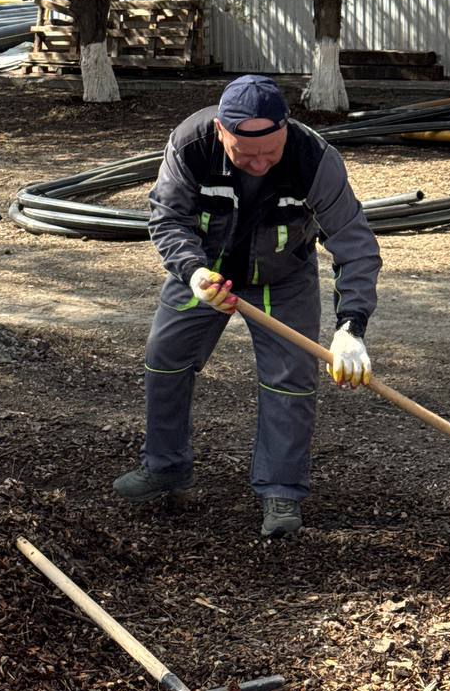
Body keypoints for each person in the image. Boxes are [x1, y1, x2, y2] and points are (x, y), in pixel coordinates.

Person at [113, 73, 382, 537]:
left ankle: (281, 492)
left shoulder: (314, 158)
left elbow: (354, 244)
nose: (258, 164)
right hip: (206, 272)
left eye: (270, 152)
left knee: (290, 378)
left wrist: (351, 326)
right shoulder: (190, 144)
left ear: (285, 129)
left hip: (282, 276)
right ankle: (166, 467)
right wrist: (194, 273)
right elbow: (168, 216)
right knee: (165, 355)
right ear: (221, 131)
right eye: (245, 154)